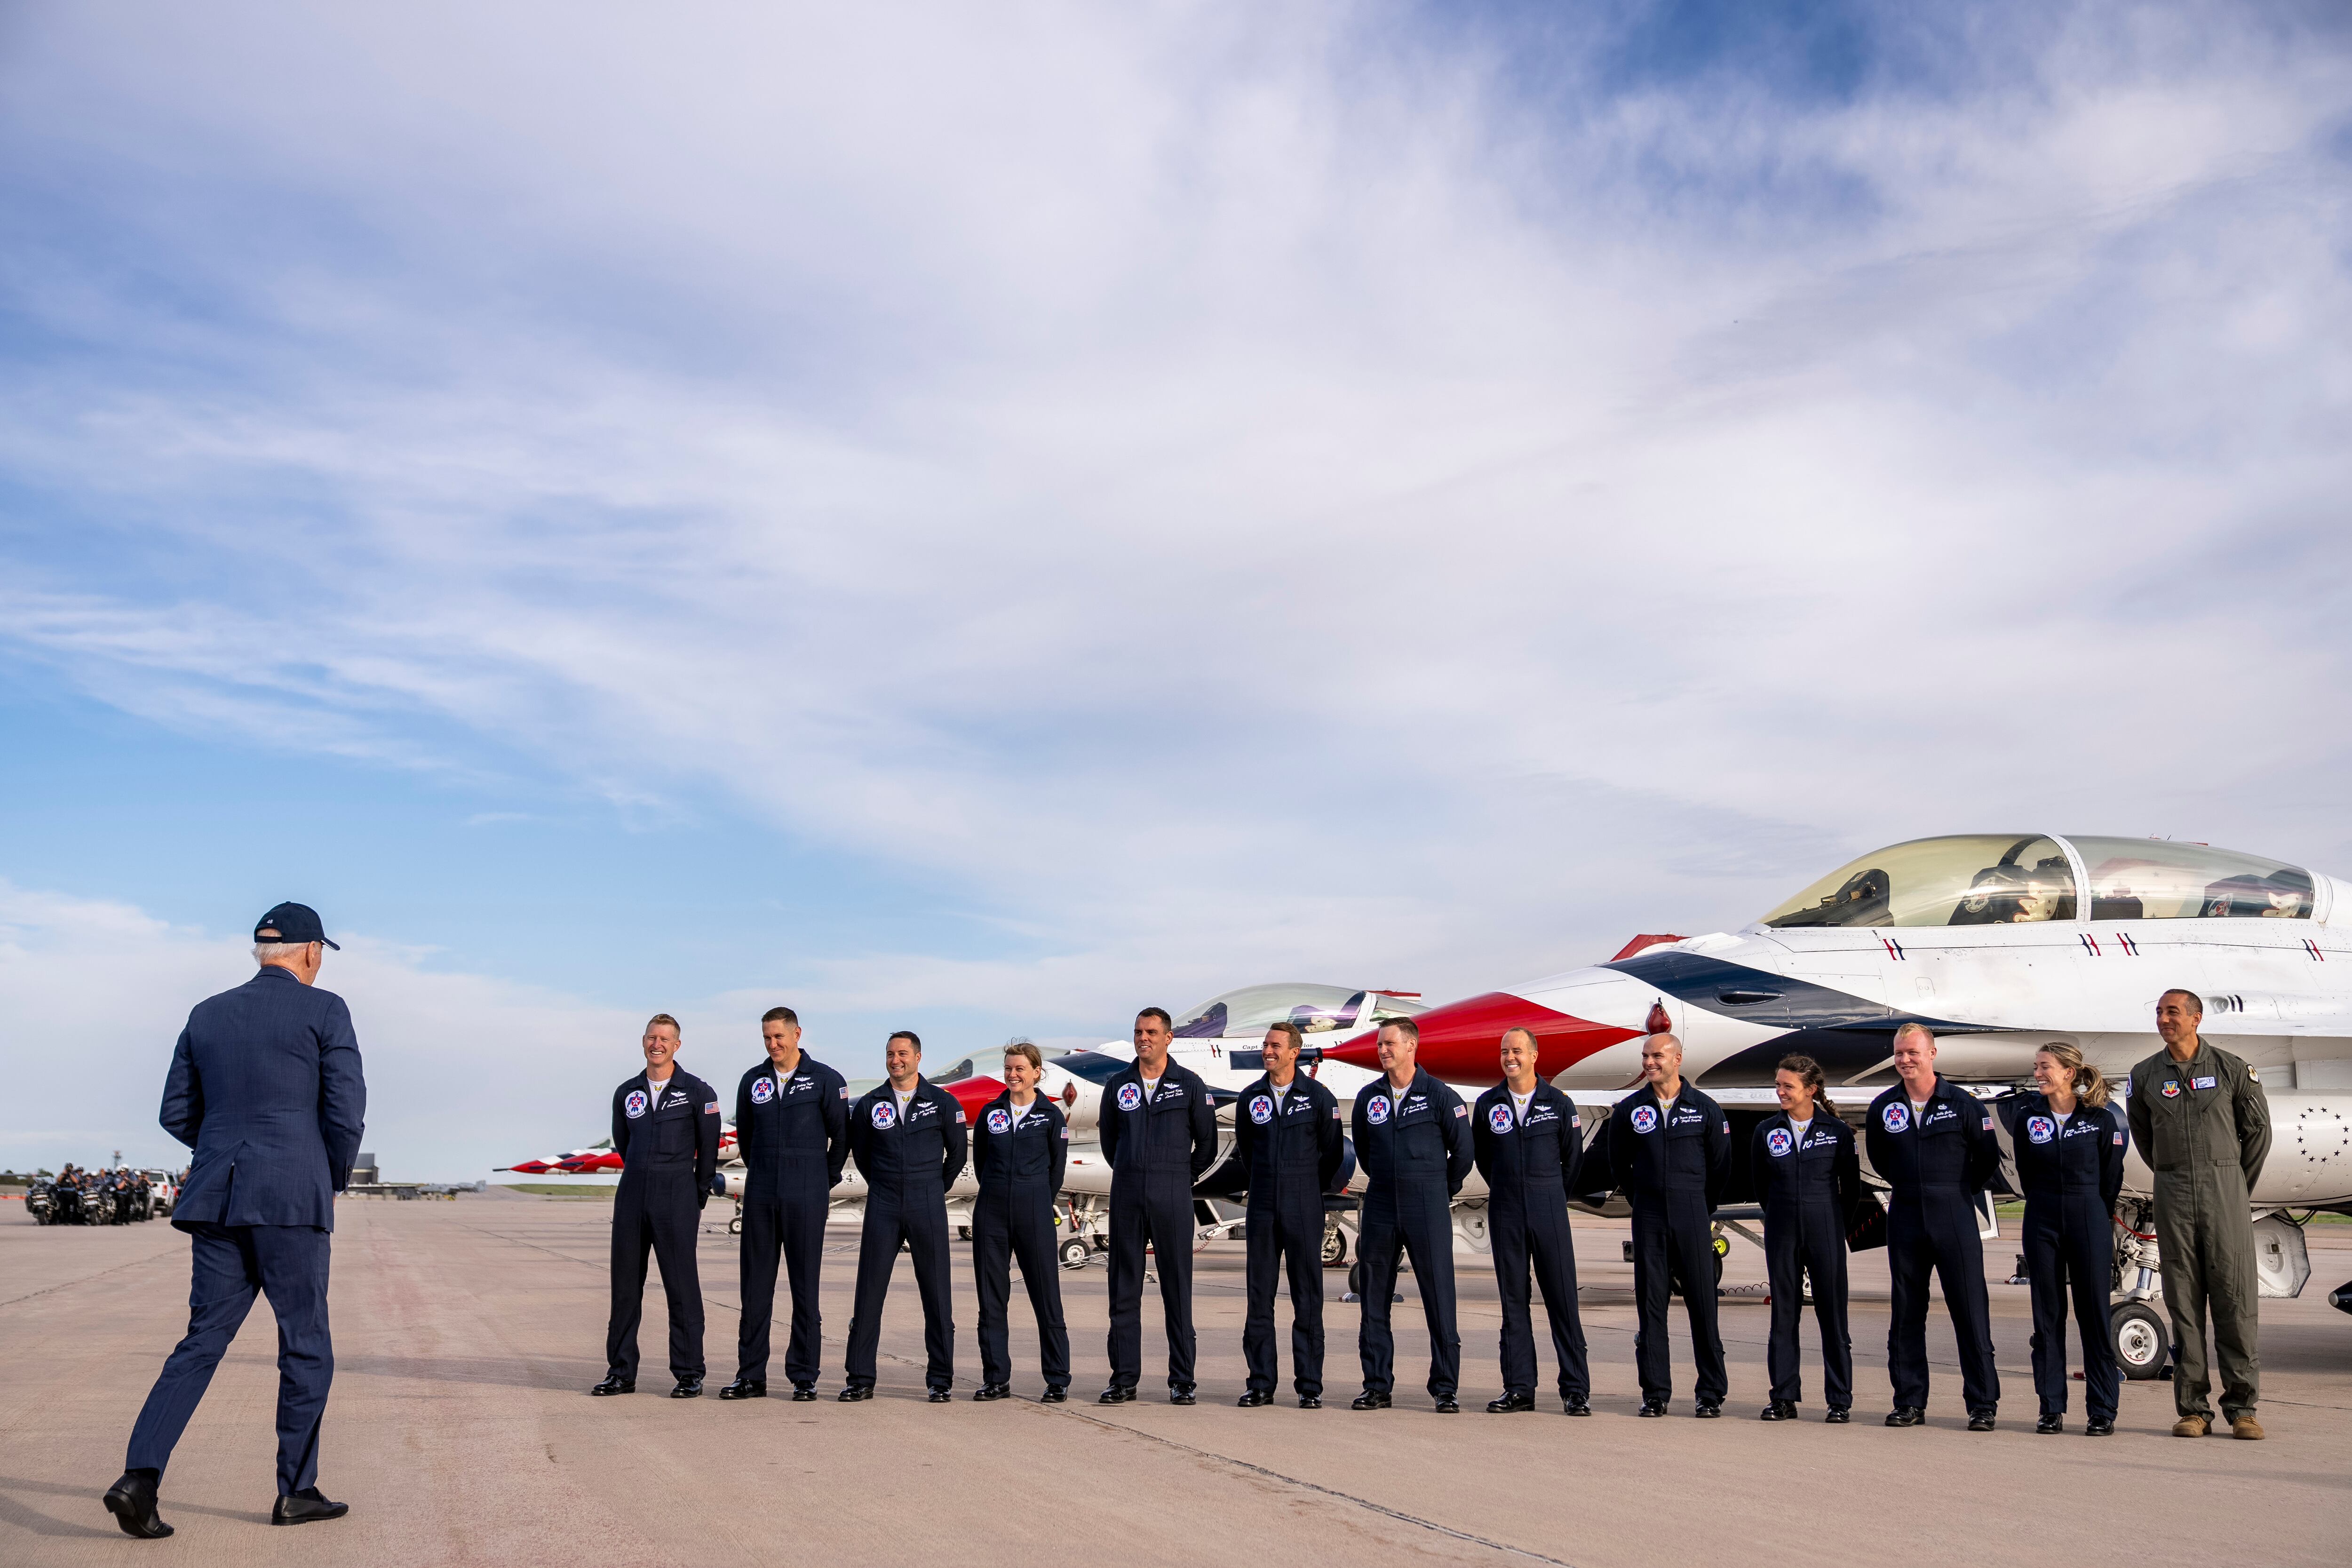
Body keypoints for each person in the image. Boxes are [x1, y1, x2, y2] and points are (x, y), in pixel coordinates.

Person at [107, 902, 367, 1538]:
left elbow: (176, 1112)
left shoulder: (207, 1012)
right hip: (290, 1203)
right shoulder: (325, 1008)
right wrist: (320, 1174)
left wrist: (226, 1148)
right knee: (305, 1343)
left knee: (201, 1341)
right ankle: (296, 1491)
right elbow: (346, 1111)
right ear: (309, 951)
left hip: (217, 1200)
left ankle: (139, 1477)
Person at [2128, 989, 2271, 1440]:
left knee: (2234, 1300)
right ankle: (2193, 1409)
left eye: (2173, 1012)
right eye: (2159, 1012)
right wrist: (2176, 1175)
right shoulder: (2146, 1074)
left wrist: (2232, 1185)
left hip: (2225, 1190)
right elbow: (2144, 1136)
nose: (2164, 1019)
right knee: (2184, 1302)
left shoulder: (2231, 1068)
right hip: (2173, 1191)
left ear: (2196, 1018)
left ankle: (2243, 1408)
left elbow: (2259, 1132)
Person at [1866, 1022, 2001, 1429]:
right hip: (1906, 1214)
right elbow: (1879, 1157)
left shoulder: (1964, 1104)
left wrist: (1951, 1191)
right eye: (1900, 1053)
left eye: (1913, 1052)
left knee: (1970, 1311)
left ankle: (1982, 1404)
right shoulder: (1884, 1106)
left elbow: (1986, 1159)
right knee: (1907, 1312)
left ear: (1932, 1054)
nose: (1905, 1060)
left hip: (1954, 1214)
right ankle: (1909, 1401)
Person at [721, 1006, 849, 1401]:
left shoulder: (826, 1079)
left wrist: (819, 1180)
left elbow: (841, 1138)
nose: (773, 1044)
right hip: (762, 1194)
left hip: (806, 1195)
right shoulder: (753, 1080)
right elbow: (747, 1134)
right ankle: (750, 1375)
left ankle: (804, 1375)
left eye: (779, 1036)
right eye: (766, 1038)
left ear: (797, 1034)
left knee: (804, 1289)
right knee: (755, 1288)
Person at [595, 1015, 724, 1398]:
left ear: (677, 1045)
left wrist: (694, 1196)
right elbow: (624, 1143)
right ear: (644, 1041)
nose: (658, 1043)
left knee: (682, 1288)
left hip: (677, 1197)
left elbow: (709, 1151)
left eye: (665, 1038)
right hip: (633, 1196)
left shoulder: (698, 1091)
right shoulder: (627, 1092)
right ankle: (621, 1372)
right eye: (652, 1037)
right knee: (625, 1288)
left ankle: (689, 1373)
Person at [1351, 1017, 1474, 1413]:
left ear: (1411, 1046)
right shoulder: (1369, 1097)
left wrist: (1437, 1190)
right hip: (1383, 1203)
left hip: (1427, 1203)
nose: (1382, 1050)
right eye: (1380, 1044)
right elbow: (1366, 1153)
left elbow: (1464, 1155)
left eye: (1389, 1043)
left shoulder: (1441, 1096)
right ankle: (1376, 1385)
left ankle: (1445, 1387)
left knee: (1439, 1295)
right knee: (1373, 1298)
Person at [1097, 1008, 1218, 1404]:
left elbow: (1208, 1144)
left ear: (1168, 1038)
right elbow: (1111, 1145)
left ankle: (1182, 1379)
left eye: (1151, 1031)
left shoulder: (1189, 1085)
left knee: (1177, 1289)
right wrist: (1135, 1170)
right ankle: (1124, 1379)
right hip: (1128, 1194)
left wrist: (1178, 1177)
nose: (1142, 1038)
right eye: (1137, 1031)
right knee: (1124, 1290)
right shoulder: (1118, 1085)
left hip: (1172, 1194)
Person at [1609, 1032, 1732, 1417]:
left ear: (1677, 1058)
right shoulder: (1630, 1110)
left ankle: (1710, 1393)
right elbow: (1619, 1165)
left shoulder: (1705, 1109)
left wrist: (1697, 1204)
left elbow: (1720, 1166)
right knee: (1651, 1306)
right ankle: (1655, 1392)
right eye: (1645, 1055)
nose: (1649, 1062)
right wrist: (1644, 1197)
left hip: (1693, 1213)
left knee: (1702, 1304)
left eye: (1657, 1055)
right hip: (1649, 1216)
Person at [841, 1031, 967, 1401]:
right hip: (883, 1201)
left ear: (918, 1057)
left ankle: (940, 1380)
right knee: (869, 1292)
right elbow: (861, 1153)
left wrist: (931, 1187)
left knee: (937, 1294)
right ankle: (860, 1378)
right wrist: (884, 1183)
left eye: (903, 1053)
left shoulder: (943, 1103)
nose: (896, 1059)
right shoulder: (870, 1104)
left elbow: (956, 1156)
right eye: (890, 1054)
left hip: (927, 1200)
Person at [1472, 1027, 1591, 1416]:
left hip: (1549, 1208)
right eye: (1505, 1050)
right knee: (1513, 1302)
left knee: (1562, 1299)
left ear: (1535, 1055)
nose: (1511, 1057)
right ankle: (1519, 1388)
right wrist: (1510, 1188)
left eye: (1518, 1050)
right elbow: (1485, 1159)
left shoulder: (1558, 1103)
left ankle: (1575, 1389)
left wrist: (1549, 1193)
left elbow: (1573, 1162)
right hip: (1507, 1209)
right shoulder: (1489, 1103)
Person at [2009, 1042, 2126, 1435]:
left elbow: (2111, 1179)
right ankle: (2051, 1406)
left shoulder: (2100, 1118)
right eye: (2037, 1066)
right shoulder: (2028, 1118)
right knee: (2048, 1317)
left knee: (2094, 1314)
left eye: (2045, 1067)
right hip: (2042, 1218)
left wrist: (2090, 1210)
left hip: (2088, 1217)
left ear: (2069, 1073)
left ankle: (2102, 1409)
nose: (2038, 1073)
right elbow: (2025, 1172)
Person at [1233, 1020, 1345, 1409]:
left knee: (1308, 1296)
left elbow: (1332, 1153)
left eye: (1275, 1045)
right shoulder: (1251, 1098)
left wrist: (1306, 1185)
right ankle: (1261, 1382)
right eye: (1266, 1044)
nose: (1268, 1050)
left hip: (1304, 1202)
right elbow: (1246, 1150)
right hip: (1263, 1203)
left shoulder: (1318, 1097)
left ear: (1294, 1051)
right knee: (1259, 1296)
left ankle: (1309, 1385)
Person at [1751, 1053, 1859, 1423]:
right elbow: (1761, 1185)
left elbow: (1851, 1187)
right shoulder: (1766, 1131)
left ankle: (1839, 1399)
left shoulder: (1838, 1132)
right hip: (1782, 1229)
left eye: (1788, 1086)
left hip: (1825, 1227)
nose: (1780, 1091)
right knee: (1784, 1314)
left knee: (1833, 1315)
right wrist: (1783, 1214)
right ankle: (1783, 1396)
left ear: (1811, 1090)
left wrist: (1831, 1223)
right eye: (1778, 1085)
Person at [970, 1042, 1073, 1401]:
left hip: (1035, 1209)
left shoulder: (1051, 1116)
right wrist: (1000, 1193)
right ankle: (996, 1377)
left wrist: (1034, 1200)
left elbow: (1056, 1171)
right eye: (1008, 1068)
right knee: (992, 1299)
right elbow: (982, 1162)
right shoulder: (990, 1113)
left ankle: (1058, 1378)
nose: (1013, 1074)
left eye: (1020, 1069)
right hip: (992, 1211)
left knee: (1046, 1296)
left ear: (1036, 1073)